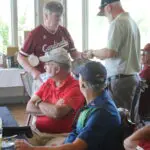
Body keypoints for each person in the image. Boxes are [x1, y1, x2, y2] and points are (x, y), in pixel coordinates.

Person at [15, 61, 122, 150]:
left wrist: (32, 149)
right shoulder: (99, 101)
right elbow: (76, 134)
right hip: (66, 143)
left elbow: (76, 147)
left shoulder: (100, 112)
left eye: (78, 76)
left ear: (83, 84)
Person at [84, 0, 141, 110]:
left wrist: (92, 52)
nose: (106, 17)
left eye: (105, 14)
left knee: (117, 119)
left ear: (108, 7)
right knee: (129, 119)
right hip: (132, 78)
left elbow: (110, 52)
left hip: (121, 82)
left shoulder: (117, 23)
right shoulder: (131, 22)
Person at [17, 1, 82, 93]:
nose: (59, 20)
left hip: (64, 78)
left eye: (60, 17)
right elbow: (20, 57)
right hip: (44, 78)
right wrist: (32, 71)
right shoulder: (35, 34)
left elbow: (74, 54)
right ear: (46, 16)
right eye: (56, 17)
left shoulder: (64, 31)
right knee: (42, 105)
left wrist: (83, 56)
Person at [24, 48, 85, 146]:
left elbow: (57, 113)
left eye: (48, 63)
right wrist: (51, 109)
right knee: (15, 145)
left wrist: (39, 102)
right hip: (37, 133)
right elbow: (29, 107)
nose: (44, 67)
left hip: (61, 136)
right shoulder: (48, 82)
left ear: (57, 69)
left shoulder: (75, 87)